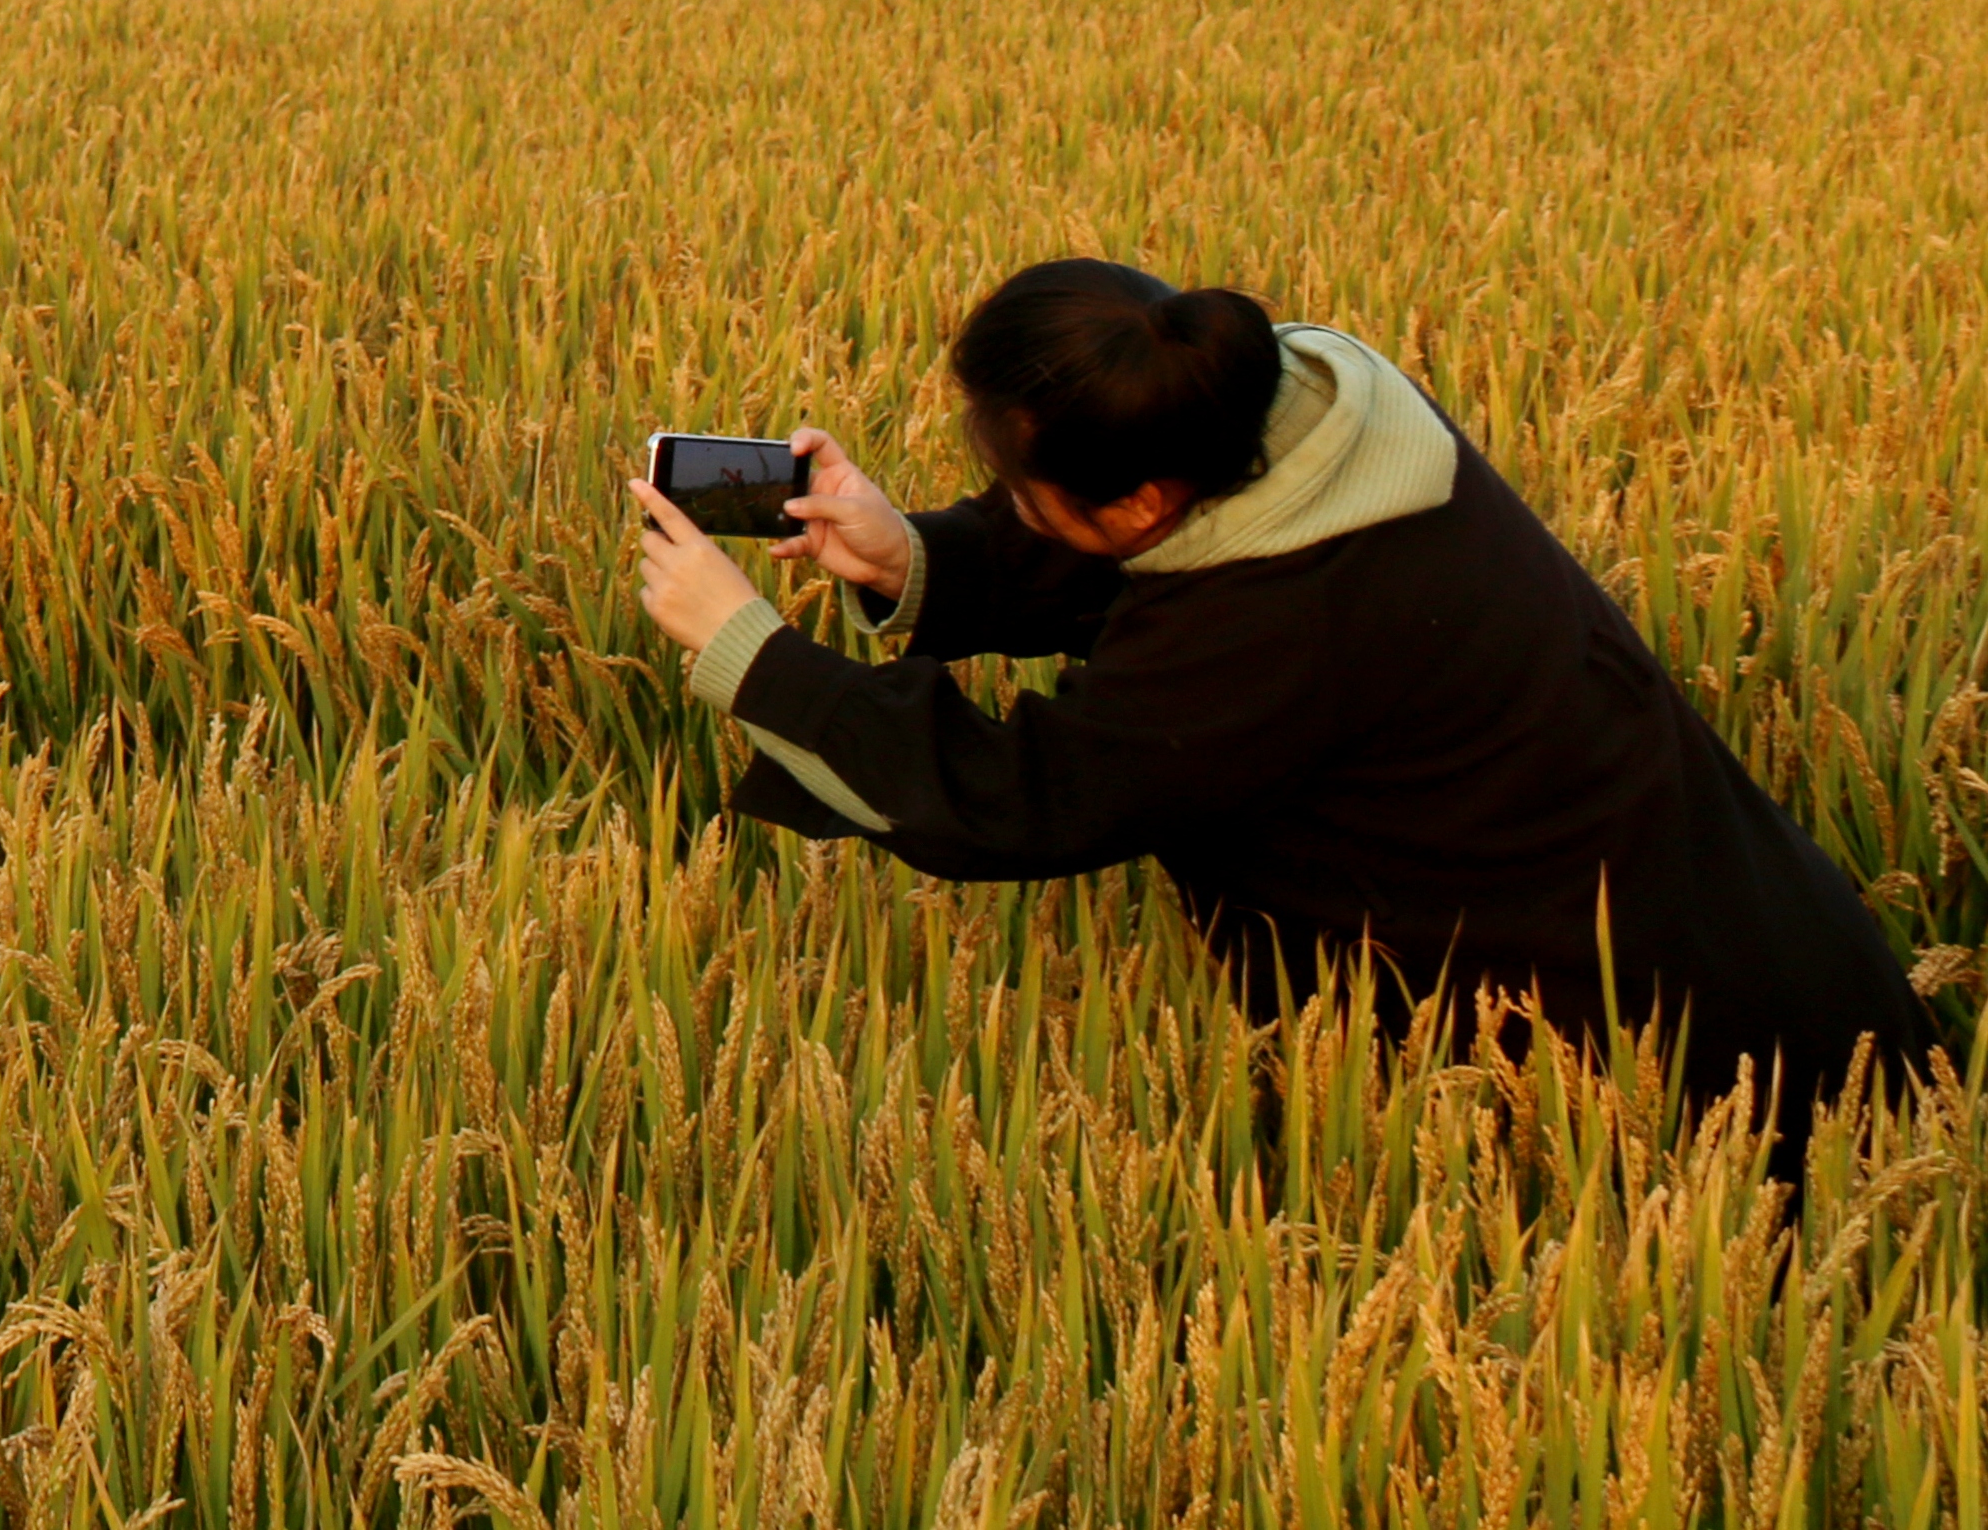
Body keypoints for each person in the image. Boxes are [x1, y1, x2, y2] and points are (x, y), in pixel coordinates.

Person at [627, 259, 1942, 1156]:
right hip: (1747, 924)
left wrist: (747, 648)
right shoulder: (1300, 405)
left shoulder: (1280, 621)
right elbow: (1149, 549)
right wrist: (908, 553)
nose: (1006, 501)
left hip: (1691, 1068)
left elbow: (1020, 798)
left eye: (1013, 483)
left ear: (1138, 498)